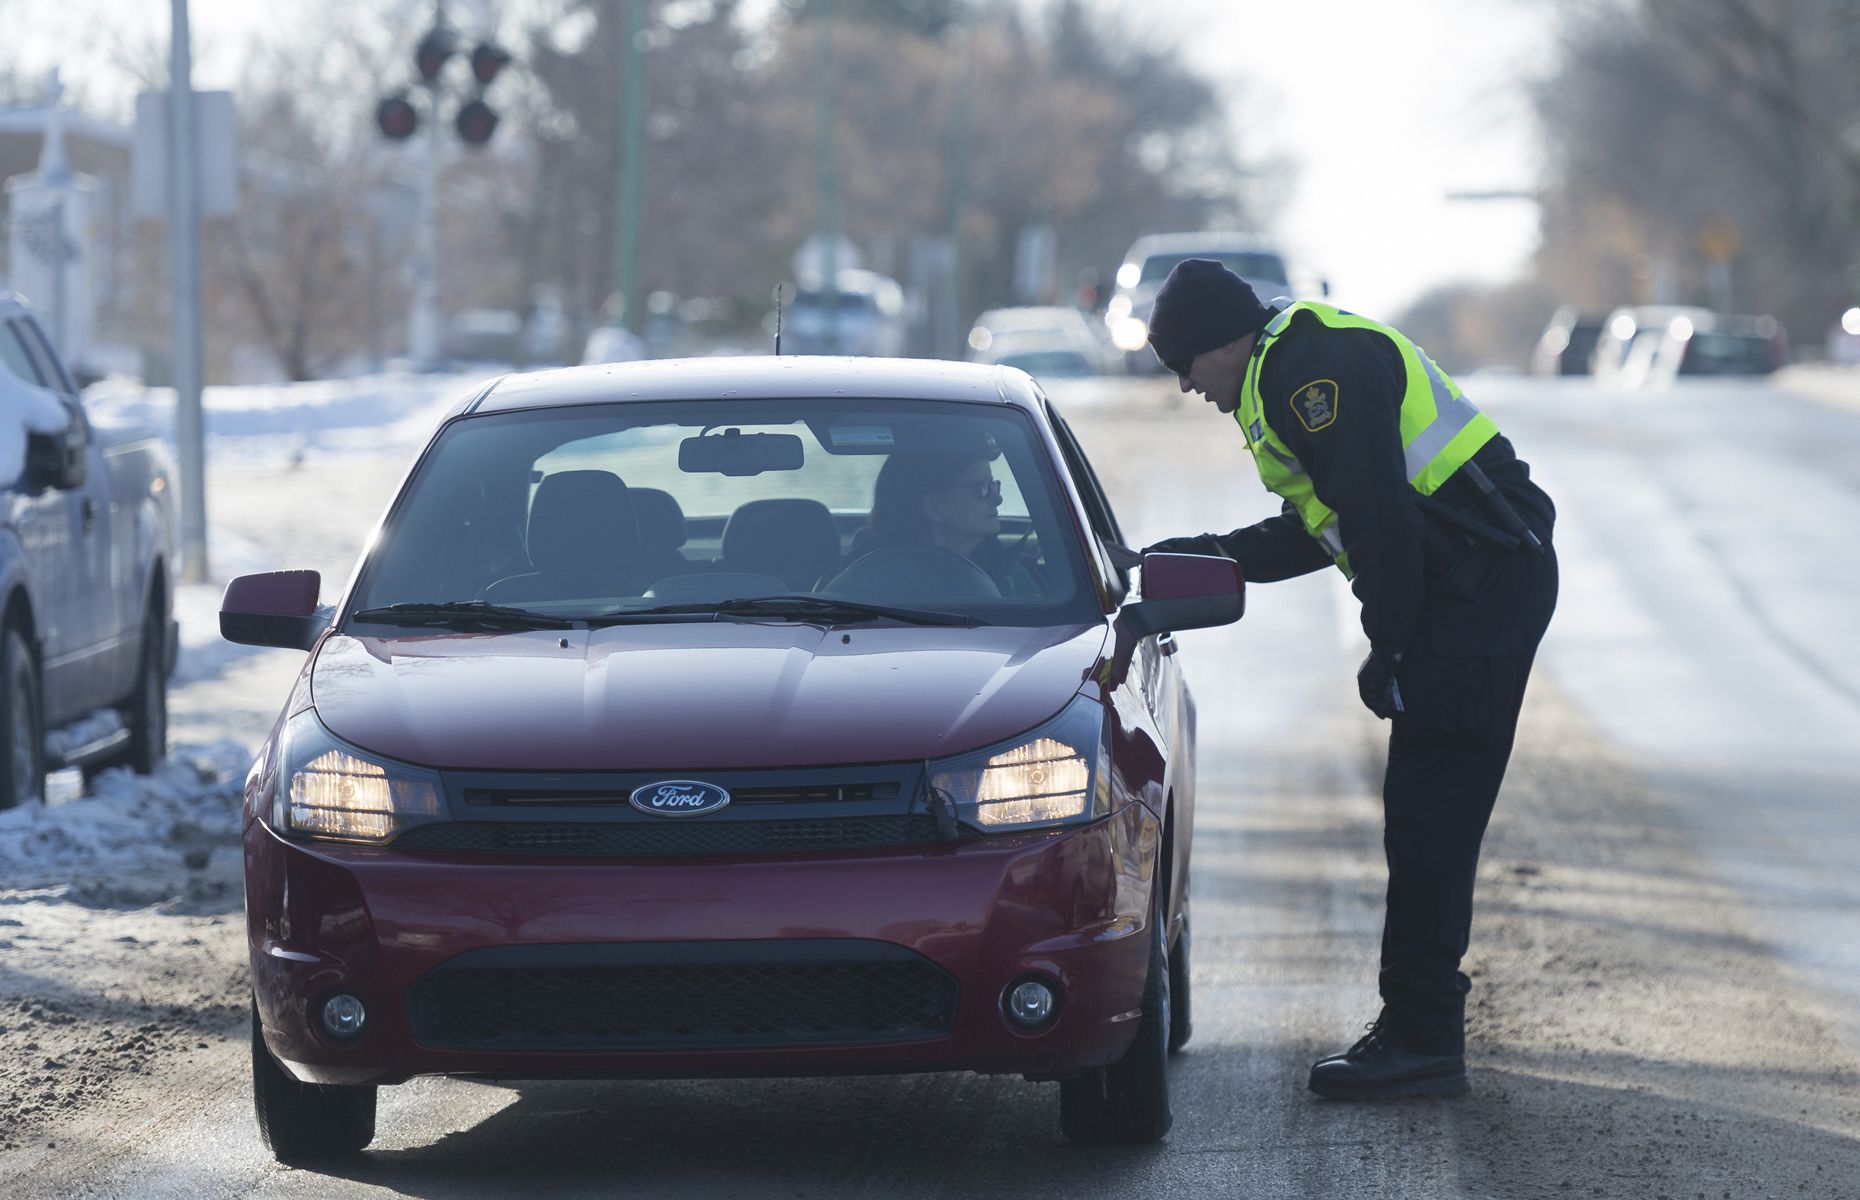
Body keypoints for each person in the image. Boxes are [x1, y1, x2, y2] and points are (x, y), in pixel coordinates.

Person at [1141, 259, 1558, 1100]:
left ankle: (1422, 1040)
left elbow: (1380, 523)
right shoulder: (1287, 364)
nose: (1186, 386)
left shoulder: (1309, 375)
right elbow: (1319, 529)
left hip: (1478, 589)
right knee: (1423, 817)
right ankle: (1420, 1030)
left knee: (1427, 818)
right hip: (1474, 584)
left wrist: (1390, 646)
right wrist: (1201, 555)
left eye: (1186, 365)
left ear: (1225, 341)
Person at [863, 449, 1041, 598]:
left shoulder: (1010, 575)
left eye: (994, 485)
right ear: (935, 507)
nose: (998, 499)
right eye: (983, 488)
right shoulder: (866, 573)